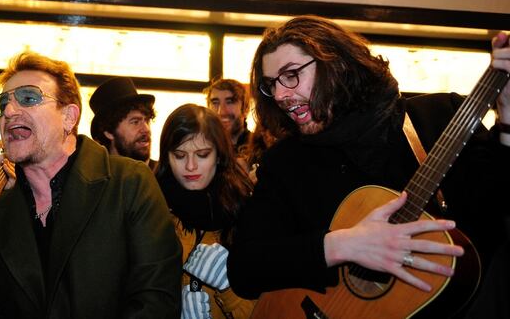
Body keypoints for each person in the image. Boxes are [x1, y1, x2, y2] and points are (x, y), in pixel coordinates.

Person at [227, 16, 510, 317]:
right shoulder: (286, 162)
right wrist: (339, 246)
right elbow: (245, 268)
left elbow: (501, 206)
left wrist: (507, 114)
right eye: (271, 85)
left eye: (292, 74)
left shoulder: (441, 118)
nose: (281, 95)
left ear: (337, 63)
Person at [0, 51, 181, 318]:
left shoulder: (130, 183)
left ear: (69, 117)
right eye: (3, 103)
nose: (10, 111)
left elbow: (156, 300)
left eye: (29, 98)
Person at [156, 104, 255, 318]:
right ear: (166, 157)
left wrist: (229, 288)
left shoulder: (246, 211)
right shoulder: (151, 210)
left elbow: (269, 310)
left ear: (219, 155)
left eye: (202, 154)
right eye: (180, 155)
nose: (191, 166)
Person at [89, 76, 158, 170]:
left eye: (147, 120)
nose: (146, 129)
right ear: (109, 132)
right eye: (135, 122)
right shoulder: (93, 179)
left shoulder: (164, 177)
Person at [204, 78, 251, 156]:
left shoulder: (261, 149)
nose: (221, 112)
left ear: (245, 109)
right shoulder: (201, 147)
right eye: (215, 103)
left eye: (230, 102)